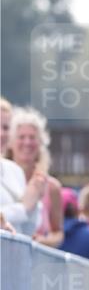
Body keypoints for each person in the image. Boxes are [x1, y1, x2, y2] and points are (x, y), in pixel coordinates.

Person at [6, 106, 63, 248]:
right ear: (10, 142)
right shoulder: (3, 180)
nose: (27, 142)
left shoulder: (52, 187)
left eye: (32, 137)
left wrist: (43, 242)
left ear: (40, 143)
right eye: (21, 137)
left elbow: (58, 233)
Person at [0, 101, 48, 240]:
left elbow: (27, 231)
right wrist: (24, 207)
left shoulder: (15, 171)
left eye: (6, 127)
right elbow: (22, 210)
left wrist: (35, 200)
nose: (1, 133)